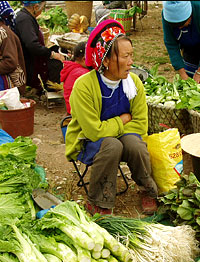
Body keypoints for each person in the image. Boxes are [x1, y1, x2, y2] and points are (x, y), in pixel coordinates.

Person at [65, 19, 158, 215]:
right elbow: (93, 131)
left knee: (135, 144)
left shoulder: (133, 83)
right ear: (106, 60)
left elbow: (140, 125)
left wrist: (115, 131)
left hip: (120, 138)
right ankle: (99, 201)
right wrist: (122, 120)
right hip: (88, 142)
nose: (131, 62)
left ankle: (147, 190)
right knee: (112, 145)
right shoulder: (84, 86)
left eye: (131, 55)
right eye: (125, 56)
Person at [15, 1, 65, 93]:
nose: (42, 10)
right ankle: (48, 89)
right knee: (57, 63)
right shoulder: (25, 20)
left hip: (30, 57)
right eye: (42, 8)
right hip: (28, 63)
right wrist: (52, 54)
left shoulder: (25, 16)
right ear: (35, 7)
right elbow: (32, 45)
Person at [60, 41, 91, 114]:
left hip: (71, 109)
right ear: (84, 59)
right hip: (77, 112)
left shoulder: (72, 68)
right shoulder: (82, 74)